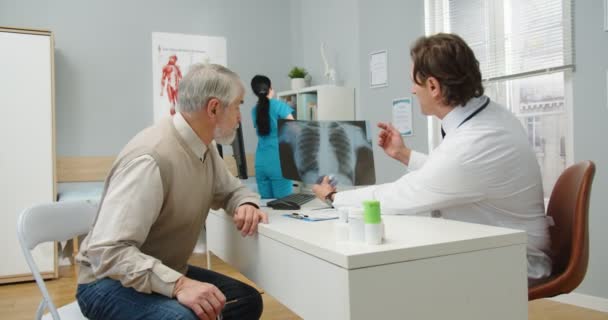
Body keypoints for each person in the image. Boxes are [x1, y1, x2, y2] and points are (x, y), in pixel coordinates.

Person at [313, 33, 552, 284]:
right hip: (502, 244)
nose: (411, 90)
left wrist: (333, 197)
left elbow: (403, 194)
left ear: (434, 87)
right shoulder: (490, 117)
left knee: (395, 260)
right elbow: (456, 174)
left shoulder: (473, 141)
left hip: (517, 259)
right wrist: (403, 154)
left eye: (414, 83)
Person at [76, 64, 267, 320]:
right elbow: (108, 252)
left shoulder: (204, 149)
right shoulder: (151, 159)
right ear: (213, 108)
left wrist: (246, 203)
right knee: (183, 318)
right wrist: (178, 285)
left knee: (245, 300)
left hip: (160, 271)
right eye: (237, 106)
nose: (240, 117)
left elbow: (232, 190)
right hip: (106, 282)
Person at [250, 75, 295, 199]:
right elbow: (293, 128)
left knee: (266, 207)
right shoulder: (279, 105)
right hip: (279, 162)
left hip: (261, 163)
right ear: (270, 88)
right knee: (284, 205)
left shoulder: (254, 110)